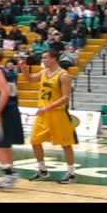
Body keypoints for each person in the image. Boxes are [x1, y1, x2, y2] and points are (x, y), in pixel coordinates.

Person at [20, 49, 78, 184]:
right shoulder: (44, 72)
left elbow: (65, 98)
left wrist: (48, 107)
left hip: (58, 114)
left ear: (54, 59)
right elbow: (30, 80)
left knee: (66, 144)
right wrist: (24, 69)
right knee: (35, 141)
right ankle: (42, 170)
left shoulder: (64, 75)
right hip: (44, 114)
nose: (43, 60)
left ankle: (71, 173)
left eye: (45, 58)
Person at [0, 49, 24, 191]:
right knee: (6, 145)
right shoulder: (9, 72)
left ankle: (10, 174)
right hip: (12, 110)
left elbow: (5, 92)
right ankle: (9, 177)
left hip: (4, 113)